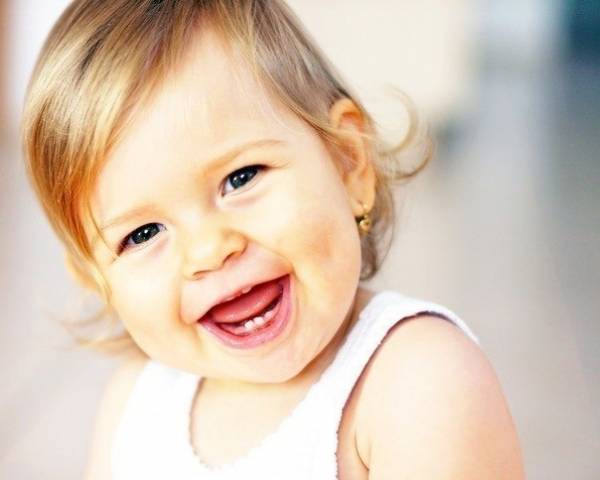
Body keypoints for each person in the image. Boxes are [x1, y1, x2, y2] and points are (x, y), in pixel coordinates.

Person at [21, 1, 525, 478]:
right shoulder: (135, 406)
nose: (207, 250)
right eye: (143, 233)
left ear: (348, 163)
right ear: (98, 279)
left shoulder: (415, 380)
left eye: (241, 178)